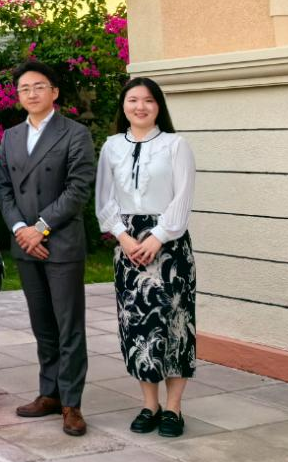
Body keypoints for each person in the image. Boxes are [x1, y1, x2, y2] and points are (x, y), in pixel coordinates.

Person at [0, 60, 96, 436]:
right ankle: (49, 393)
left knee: (69, 326)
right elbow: (3, 188)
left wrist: (40, 229)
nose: (31, 93)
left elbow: (78, 189)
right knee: (43, 325)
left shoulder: (75, 133)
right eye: (24, 88)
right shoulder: (11, 136)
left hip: (61, 244)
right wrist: (21, 230)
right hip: (25, 244)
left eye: (39, 86)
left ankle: (72, 403)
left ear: (54, 92)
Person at [96, 77, 196, 438]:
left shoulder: (175, 145)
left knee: (175, 325)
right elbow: (104, 199)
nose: (140, 107)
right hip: (127, 246)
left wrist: (158, 237)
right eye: (133, 100)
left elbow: (182, 198)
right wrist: (123, 237)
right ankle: (149, 404)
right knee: (138, 327)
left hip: (170, 246)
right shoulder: (111, 147)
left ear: (158, 106)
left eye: (148, 100)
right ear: (123, 106)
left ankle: (173, 408)